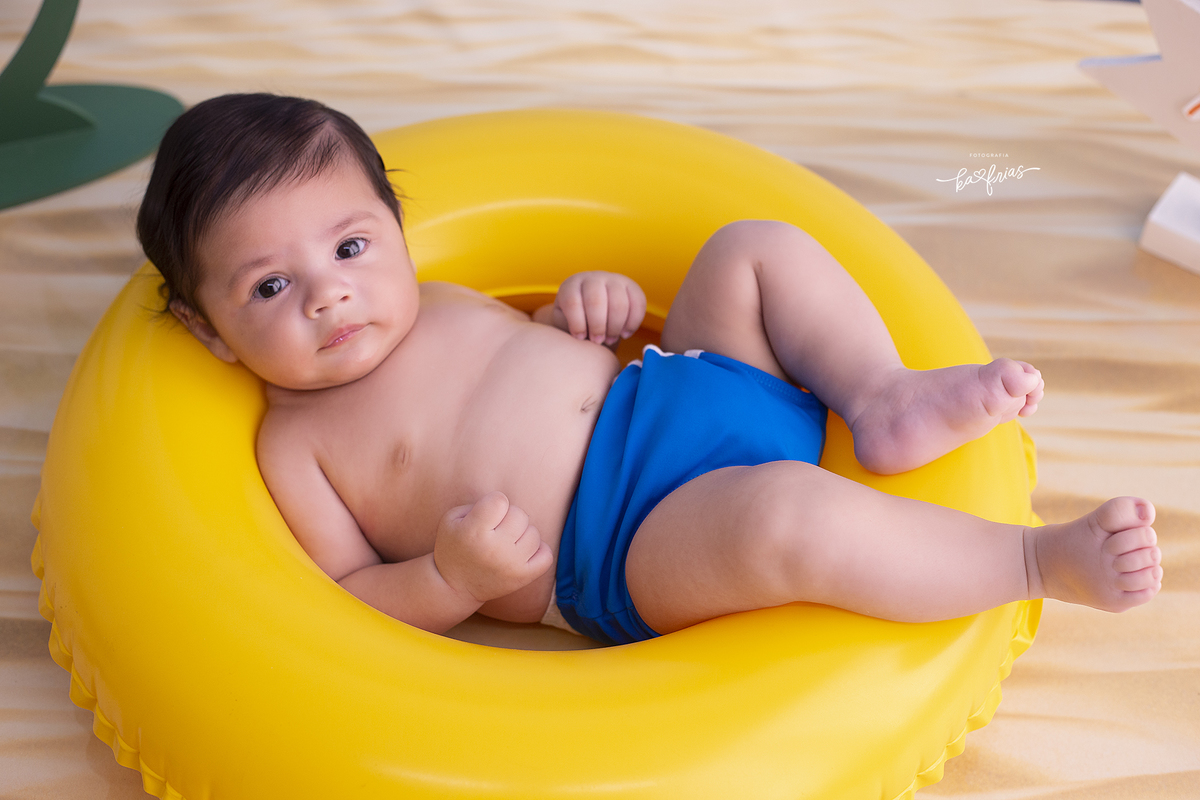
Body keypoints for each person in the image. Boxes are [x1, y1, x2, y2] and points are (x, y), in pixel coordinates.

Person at [138, 93, 1162, 646]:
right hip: (629, 537)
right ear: (210, 328)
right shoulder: (298, 442)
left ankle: (881, 396)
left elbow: (541, 357)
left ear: (396, 232)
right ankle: (1033, 563)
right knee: (784, 519)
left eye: (351, 249)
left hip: (674, 385)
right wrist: (449, 577)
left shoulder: (440, 299)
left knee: (751, 248)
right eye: (269, 288)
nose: (328, 294)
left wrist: (592, 311)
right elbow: (350, 595)